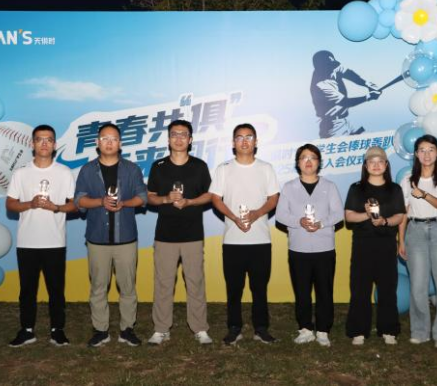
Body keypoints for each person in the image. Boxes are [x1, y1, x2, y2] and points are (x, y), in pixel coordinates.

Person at [75, 123, 148, 348]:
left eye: (113, 139)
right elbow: (79, 200)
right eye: (104, 138)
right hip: (97, 239)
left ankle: (127, 329)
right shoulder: (87, 170)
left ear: (120, 143)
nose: (109, 142)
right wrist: (100, 202)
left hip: (125, 238)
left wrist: (124, 203)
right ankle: (100, 330)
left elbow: (143, 197)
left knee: (128, 287)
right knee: (98, 287)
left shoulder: (131, 169)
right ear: (97, 143)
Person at [6, 125, 77, 348]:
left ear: (55, 145)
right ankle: (27, 330)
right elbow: (10, 204)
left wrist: (56, 207)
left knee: (56, 289)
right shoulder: (21, 173)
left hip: (55, 241)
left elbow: (74, 205)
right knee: (27, 290)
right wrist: (30, 203)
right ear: (32, 144)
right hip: (27, 241)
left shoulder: (64, 172)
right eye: (39, 139)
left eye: (49, 139)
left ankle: (57, 330)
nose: (44, 143)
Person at [210, 123, 280, 345]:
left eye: (249, 137)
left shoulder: (266, 168)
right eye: (239, 137)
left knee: (259, 288)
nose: (244, 141)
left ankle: (261, 328)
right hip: (233, 240)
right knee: (234, 289)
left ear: (256, 141)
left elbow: (273, 198)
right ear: (233, 143)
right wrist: (234, 218)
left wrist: (257, 213)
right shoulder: (223, 169)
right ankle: (234, 328)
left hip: (260, 240)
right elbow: (215, 198)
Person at [146, 119, 213, 345]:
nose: (178, 138)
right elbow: (150, 196)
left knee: (195, 282)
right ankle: (161, 329)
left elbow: (209, 195)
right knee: (163, 283)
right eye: (174, 134)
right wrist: (166, 199)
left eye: (183, 134)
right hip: (165, 235)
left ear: (190, 140)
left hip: (192, 234)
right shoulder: (158, 166)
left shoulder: (199, 166)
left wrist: (190, 202)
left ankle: (200, 328)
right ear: (168, 139)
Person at [275, 144, 344, 347]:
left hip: (324, 248)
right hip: (299, 249)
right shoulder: (289, 187)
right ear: (298, 163)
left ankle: (323, 330)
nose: (308, 161)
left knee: (325, 291)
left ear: (319, 162)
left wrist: (321, 223)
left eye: (312, 157)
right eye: (303, 157)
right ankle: (305, 329)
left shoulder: (329, 186)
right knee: (302, 291)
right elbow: (280, 215)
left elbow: (338, 214)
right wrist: (299, 221)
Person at [399, 135, 437, 349]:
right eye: (422, 150)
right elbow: (403, 213)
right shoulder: (407, 180)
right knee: (417, 285)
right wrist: (401, 240)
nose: (426, 154)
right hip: (415, 231)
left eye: (431, 149)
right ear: (416, 154)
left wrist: (423, 194)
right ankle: (420, 331)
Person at [344, 147, 406, 346]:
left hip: (386, 245)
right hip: (363, 245)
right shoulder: (356, 189)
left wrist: (385, 221)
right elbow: (349, 216)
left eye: (380, 161)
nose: (376, 165)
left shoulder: (395, 189)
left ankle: (388, 329)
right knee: (360, 289)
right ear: (365, 165)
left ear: (386, 165)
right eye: (372, 161)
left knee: (388, 288)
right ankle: (358, 330)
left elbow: (400, 215)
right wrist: (367, 215)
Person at [310, 50, 382, 138]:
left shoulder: (331, 68)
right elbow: (345, 102)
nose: (334, 68)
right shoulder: (322, 84)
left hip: (343, 120)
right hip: (333, 126)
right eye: (330, 65)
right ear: (322, 67)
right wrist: (369, 96)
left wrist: (367, 84)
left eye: (333, 64)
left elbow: (348, 73)